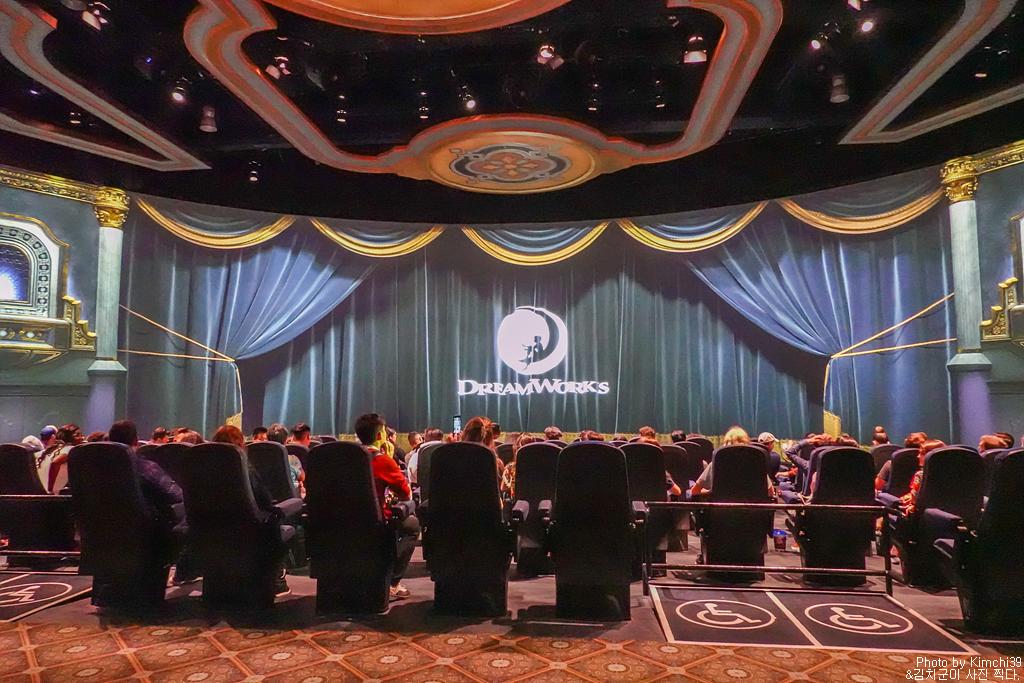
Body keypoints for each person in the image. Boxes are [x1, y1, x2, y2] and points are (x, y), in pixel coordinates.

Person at [211, 424, 291, 595]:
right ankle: (277, 581)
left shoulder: (204, 466)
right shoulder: (244, 468)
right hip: (250, 527)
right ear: (240, 444)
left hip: (211, 526)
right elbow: (264, 500)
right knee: (282, 514)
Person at [355, 413, 417, 600]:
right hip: (376, 521)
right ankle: (392, 583)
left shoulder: (344, 458)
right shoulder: (382, 460)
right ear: (380, 435)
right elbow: (406, 494)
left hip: (344, 520)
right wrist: (389, 459)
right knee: (412, 525)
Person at [900, 439, 946, 515]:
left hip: (923, 517)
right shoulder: (954, 475)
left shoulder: (920, 475)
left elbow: (914, 501)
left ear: (930, 456)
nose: (918, 456)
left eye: (921, 453)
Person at [500, 433, 542, 499]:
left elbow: (503, 488)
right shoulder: (540, 467)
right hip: (536, 500)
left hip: (516, 502)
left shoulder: (510, 467)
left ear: (516, 450)